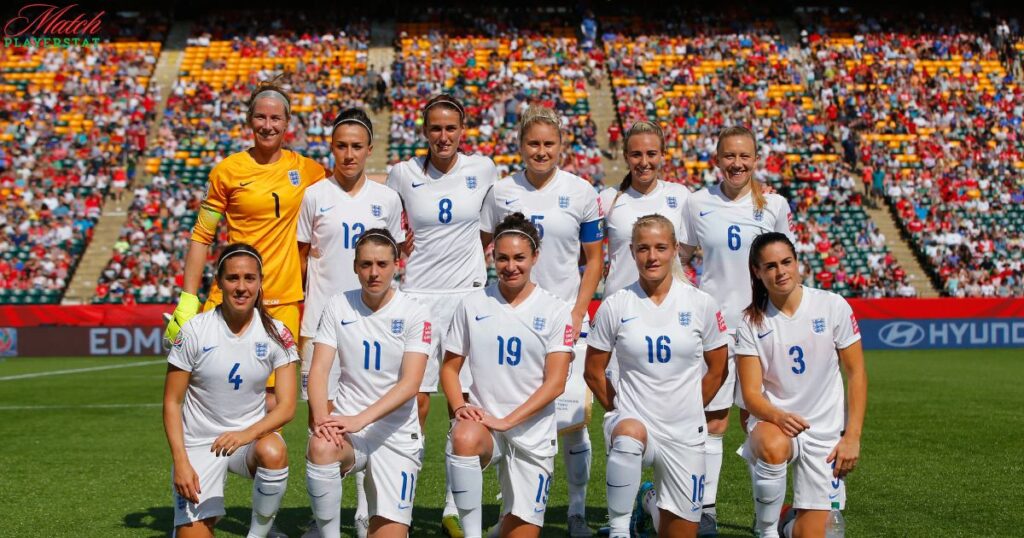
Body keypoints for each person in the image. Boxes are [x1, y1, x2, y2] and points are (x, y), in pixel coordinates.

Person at [479, 105, 603, 537]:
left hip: (563, 322)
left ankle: (576, 511)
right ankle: (512, 512)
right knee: (508, 416)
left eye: (549, 143)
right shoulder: (500, 192)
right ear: (520, 145)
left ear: (561, 147)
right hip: (512, 323)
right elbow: (486, 250)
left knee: (571, 424)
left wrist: (575, 312)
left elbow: (594, 260)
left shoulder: (582, 191)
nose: (541, 151)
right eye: (533, 143)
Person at [165, 79, 326, 411]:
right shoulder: (227, 171)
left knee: (271, 402)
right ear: (250, 120)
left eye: (275, 119)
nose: (268, 126)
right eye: (261, 118)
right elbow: (201, 236)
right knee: (207, 391)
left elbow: (349, 188)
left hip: (281, 301)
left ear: (287, 123)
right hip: (231, 295)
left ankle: (263, 462)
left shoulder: (308, 170)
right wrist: (186, 299)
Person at [386, 93, 498, 538]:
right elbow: (391, 230)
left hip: (468, 295)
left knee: (464, 402)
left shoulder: (483, 169)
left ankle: (455, 506)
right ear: (424, 131)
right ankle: (401, 507)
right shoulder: (402, 174)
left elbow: (488, 227)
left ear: (463, 130)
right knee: (414, 401)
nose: (443, 136)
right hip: (418, 297)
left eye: (451, 128)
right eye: (435, 128)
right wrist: (401, 246)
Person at [677, 125, 794, 535]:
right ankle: (706, 508)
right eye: (729, 156)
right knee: (714, 420)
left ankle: (766, 519)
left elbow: (787, 266)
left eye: (744, 156)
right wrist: (696, 303)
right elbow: (683, 257)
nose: (737, 164)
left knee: (761, 420)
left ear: (755, 159)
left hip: (763, 327)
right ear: (717, 159)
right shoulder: (696, 203)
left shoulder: (774, 205)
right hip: (717, 329)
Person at [584, 214, 729, 538]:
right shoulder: (616, 304)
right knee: (628, 436)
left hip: (684, 431)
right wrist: (619, 410)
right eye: (643, 248)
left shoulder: (700, 303)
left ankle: (649, 504)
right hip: (636, 424)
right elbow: (593, 371)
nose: (652, 257)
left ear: (676, 249)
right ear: (632, 251)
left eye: (661, 247)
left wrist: (691, 407)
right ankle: (620, 531)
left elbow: (719, 367)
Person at [297, 109, 405, 537]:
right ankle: (324, 518)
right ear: (331, 147)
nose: (348, 154)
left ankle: (364, 511)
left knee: (366, 413)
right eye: (341, 145)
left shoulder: (387, 199)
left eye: (356, 146)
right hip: (323, 321)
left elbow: (396, 259)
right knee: (321, 422)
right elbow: (303, 258)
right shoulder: (314, 196)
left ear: (369, 150)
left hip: (372, 323)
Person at [442, 213, 574, 538]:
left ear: (535, 257)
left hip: (532, 434)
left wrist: (508, 420)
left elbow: (556, 383)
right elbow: (449, 367)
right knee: (463, 435)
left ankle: (503, 525)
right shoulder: (472, 303)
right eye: (502, 258)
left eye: (519, 258)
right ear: (493, 258)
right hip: (485, 427)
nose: (510, 266)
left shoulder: (555, 310)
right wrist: (460, 406)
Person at [735, 232, 867, 538]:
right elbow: (751, 395)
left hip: (824, 434)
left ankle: (787, 524)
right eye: (770, 266)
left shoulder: (832, 306)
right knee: (773, 444)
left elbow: (856, 373)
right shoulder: (751, 322)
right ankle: (766, 531)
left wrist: (852, 437)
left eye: (786, 262)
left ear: (797, 263)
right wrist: (779, 416)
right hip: (775, 424)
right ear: (757, 272)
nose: (780, 272)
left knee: (824, 534)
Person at [163, 243, 299, 537]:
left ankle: (259, 533)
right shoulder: (194, 331)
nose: (241, 287)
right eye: (233, 278)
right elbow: (172, 402)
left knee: (274, 450)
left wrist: (244, 435)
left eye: (250, 278)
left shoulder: (278, 333)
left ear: (261, 283)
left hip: (246, 443)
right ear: (219, 282)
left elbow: (287, 407)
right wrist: (181, 462)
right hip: (199, 444)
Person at [305, 229, 432, 538]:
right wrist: (322, 418)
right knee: (321, 445)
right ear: (355, 266)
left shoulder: (416, 312)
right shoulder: (338, 305)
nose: (373, 273)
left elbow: (410, 384)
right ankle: (327, 533)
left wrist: (358, 419)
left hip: (396, 435)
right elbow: (318, 369)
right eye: (365, 264)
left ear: (396, 264)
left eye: (381, 264)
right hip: (350, 434)